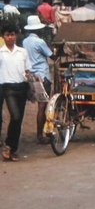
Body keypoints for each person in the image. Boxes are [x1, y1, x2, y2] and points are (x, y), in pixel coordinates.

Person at [0, 22, 31, 161]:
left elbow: (27, 69)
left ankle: (12, 149)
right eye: (7, 35)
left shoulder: (22, 52)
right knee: (16, 116)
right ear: (3, 36)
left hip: (22, 87)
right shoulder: (1, 53)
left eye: (12, 35)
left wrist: (32, 78)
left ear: (16, 36)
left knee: (18, 120)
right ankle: (7, 145)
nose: (10, 37)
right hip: (7, 88)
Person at [22, 15, 53, 145]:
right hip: (42, 76)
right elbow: (51, 54)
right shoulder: (40, 42)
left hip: (31, 76)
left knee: (40, 106)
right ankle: (40, 135)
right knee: (42, 106)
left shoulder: (25, 41)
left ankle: (42, 133)